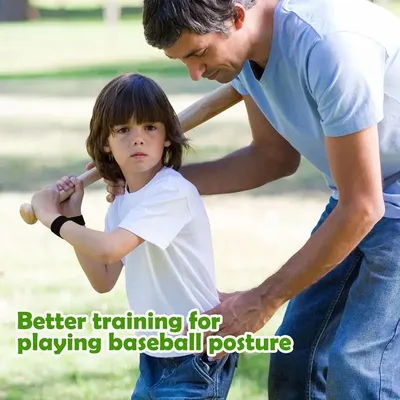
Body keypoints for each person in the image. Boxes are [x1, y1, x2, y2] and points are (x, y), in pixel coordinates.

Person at [99, 0, 400, 398]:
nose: (195, 74)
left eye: (199, 53)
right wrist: (153, 184)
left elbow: (363, 206)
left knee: (357, 365)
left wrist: (262, 299)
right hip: (360, 193)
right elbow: (271, 157)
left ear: (238, 16)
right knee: (299, 359)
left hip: (373, 198)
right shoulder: (245, 56)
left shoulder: (331, 47)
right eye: (182, 60)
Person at [30, 73, 239, 400]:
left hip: (196, 356)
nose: (138, 139)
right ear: (105, 143)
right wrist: (73, 217)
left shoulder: (172, 192)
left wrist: (51, 218)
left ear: (167, 137)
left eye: (150, 127)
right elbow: (103, 277)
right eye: (123, 130)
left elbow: (109, 250)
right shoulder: (124, 200)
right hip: (156, 355)